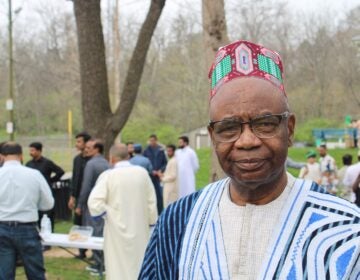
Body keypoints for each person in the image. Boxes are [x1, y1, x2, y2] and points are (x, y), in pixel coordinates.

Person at [139, 40, 360, 279]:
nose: (246, 141)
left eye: (265, 124)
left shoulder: (346, 230)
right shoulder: (177, 221)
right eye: (229, 127)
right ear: (213, 137)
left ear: (290, 129)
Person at [87, 144, 158, 280]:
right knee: (139, 264)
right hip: (140, 229)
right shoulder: (142, 173)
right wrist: (151, 224)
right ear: (128, 156)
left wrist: (110, 214)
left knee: (117, 267)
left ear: (111, 158)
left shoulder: (108, 176)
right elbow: (151, 202)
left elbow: (94, 203)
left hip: (116, 231)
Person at [0, 142, 54, 280]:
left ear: (1, 156)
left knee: (4, 273)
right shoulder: (34, 174)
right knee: (35, 273)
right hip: (27, 227)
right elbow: (48, 204)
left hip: (2, 227)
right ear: (21, 156)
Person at [76, 139, 110, 275]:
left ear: (97, 149)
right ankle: (105, 262)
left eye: (89, 147)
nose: (86, 149)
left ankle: (99, 265)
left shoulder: (91, 164)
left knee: (95, 233)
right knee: (102, 232)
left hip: (92, 203)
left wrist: (79, 204)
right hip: (106, 203)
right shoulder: (108, 163)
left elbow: (86, 186)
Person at [26, 142, 64, 232]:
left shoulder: (47, 163)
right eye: (30, 150)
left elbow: (60, 171)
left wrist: (50, 181)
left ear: (39, 151)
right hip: (33, 193)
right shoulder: (29, 164)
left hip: (45, 192)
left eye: (33, 150)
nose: (31, 152)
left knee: (47, 215)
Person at [67, 131, 91, 259]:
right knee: (78, 222)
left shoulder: (92, 160)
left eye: (79, 141)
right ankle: (81, 250)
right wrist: (72, 196)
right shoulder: (77, 159)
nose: (77, 144)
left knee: (90, 223)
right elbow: (75, 179)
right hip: (78, 196)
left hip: (90, 197)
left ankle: (96, 250)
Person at [143, 134, 167, 214]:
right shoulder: (146, 151)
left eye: (153, 140)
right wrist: (151, 171)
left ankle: (160, 212)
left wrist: (160, 170)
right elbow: (145, 163)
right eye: (150, 141)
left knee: (159, 195)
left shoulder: (161, 150)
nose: (151, 142)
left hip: (159, 176)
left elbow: (165, 163)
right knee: (150, 194)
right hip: (150, 175)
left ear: (156, 140)